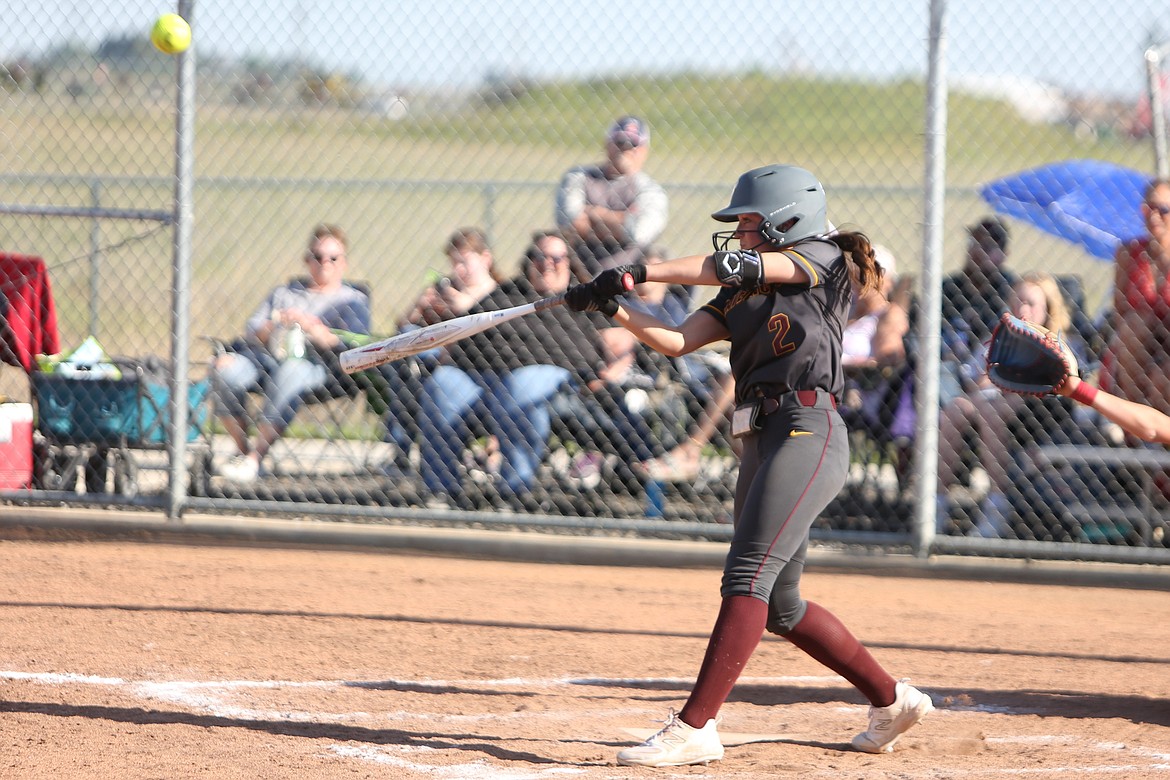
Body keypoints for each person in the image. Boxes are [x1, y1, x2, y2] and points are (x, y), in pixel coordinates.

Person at [564, 164, 932, 767]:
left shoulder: (821, 259)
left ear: (788, 221)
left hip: (809, 431)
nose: (739, 234)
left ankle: (695, 726)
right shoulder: (741, 292)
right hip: (760, 438)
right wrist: (611, 306)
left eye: (750, 222)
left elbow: (737, 266)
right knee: (781, 605)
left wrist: (641, 270)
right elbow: (680, 340)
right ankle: (892, 701)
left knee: (747, 576)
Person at [417, 229, 655, 508]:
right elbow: (460, 335)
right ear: (529, 261)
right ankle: (442, 490)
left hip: (551, 378)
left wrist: (609, 375)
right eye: (540, 257)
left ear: (569, 262)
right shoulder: (504, 293)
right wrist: (448, 359)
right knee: (441, 385)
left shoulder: (584, 298)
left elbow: (620, 345)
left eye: (557, 258)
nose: (547, 264)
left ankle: (513, 491)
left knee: (520, 386)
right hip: (478, 377)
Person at [213, 223, 370, 482]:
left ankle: (254, 459)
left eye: (333, 258)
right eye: (318, 257)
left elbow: (356, 343)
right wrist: (278, 322)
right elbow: (253, 333)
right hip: (266, 360)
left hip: (320, 368)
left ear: (344, 263)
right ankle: (242, 451)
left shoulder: (352, 300)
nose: (325, 264)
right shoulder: (285, 293)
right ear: (307, 260)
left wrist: (314, 329)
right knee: (223, 367)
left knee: (291, 369)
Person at [936, 272, 1089, 537]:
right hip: (994, 410)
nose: (1022, 309)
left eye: (1031, 303)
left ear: (1048, 309)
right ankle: (935, 504)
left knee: (990, 409)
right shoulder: (998, 337)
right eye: (1017, 300)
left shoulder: (1061, 343)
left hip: (1041, 418)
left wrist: (1001, 382)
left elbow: (1050, 389)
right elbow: (976, 380)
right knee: (955, 409)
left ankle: (998, 506)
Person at [377, 227, 504, 463]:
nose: (458, 270)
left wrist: (467, 309)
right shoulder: (445, 289)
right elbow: (401, 329)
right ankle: (402, 442)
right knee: (407, 337)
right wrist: (419, 307)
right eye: (454, 262)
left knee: (420, 370)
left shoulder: (500, 295)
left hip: (477, 372)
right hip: (429, 369)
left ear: (485, 259)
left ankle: (401, 441)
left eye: (465, 262)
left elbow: (497, 343)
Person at [555, 114, 669, 275]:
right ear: (607, 144)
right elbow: (569, 221)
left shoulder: (651, 190)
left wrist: (593, 213)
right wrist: (622, 220)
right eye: (620, 142)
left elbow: (638, 232)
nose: (626, 149)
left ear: (644, 150)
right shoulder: (579, 176)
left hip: (628, 279)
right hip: (577, 274)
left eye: (633, 144)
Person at [1107, 179, 1170, 415]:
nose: (1153, 216)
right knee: (1135, 324)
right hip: (1137, 348)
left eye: (1163, 210)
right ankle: (1132, 418)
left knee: (1162, 380)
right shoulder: (1129, 252)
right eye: (1148, 208)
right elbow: (1120, 310)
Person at [940, 217, 1018, 403]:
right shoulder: (948, 288)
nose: (978, 251)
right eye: (974, 243)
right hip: (951, 368)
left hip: (991, 373)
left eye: (988, 246)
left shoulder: (1009, 290)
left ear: (1004, 254)